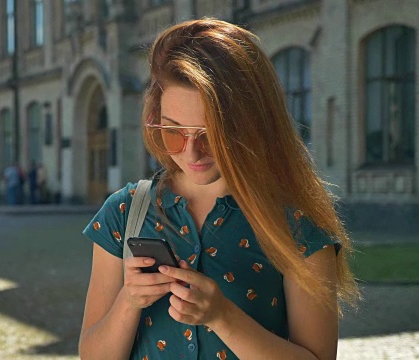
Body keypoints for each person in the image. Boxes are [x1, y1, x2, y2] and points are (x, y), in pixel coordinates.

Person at [79, 19, 359, 359]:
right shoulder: (125, 212)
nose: (191, 153)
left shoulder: (296, 223)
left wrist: (222, 317)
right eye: (173, 132)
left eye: (212, 135)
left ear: (252, 123)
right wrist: (128, 302)